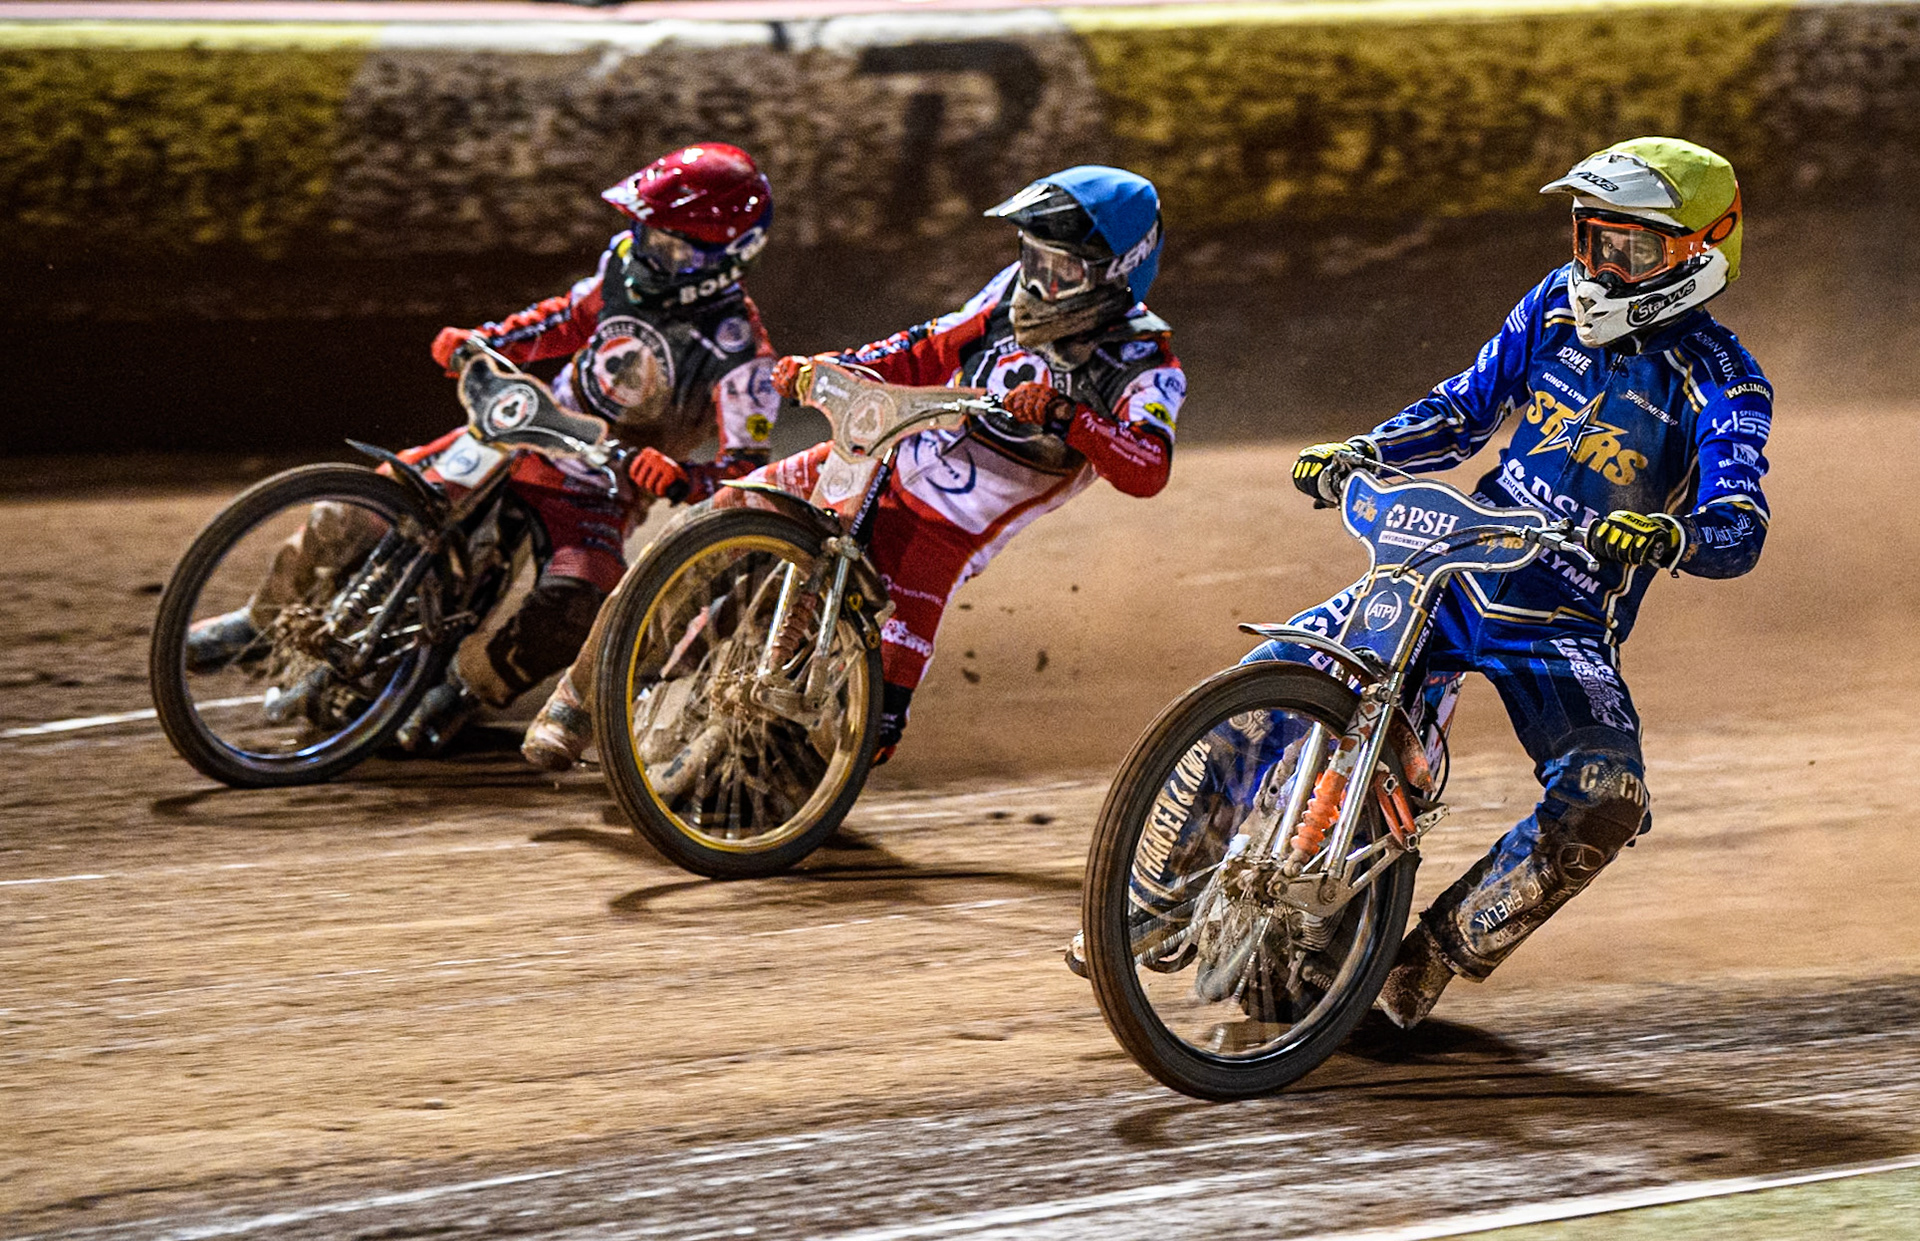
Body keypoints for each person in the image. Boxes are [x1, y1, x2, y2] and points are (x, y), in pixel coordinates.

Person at [1231, 136, 1770, 1026]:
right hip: (1451, 559)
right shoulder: (1554, 304)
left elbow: (1739, 526)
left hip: (1560, 613)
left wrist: (1668, 534)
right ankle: (1158, 883)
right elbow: (1462, 411)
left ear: (1697, 254)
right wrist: (1365, 450)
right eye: (1587, 237)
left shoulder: (1724, 382)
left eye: (1624, 248)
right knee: (1272, 678)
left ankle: (1424, 964)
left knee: (1605, 797)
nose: (1595, 265)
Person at [520, 164, 1186, 769]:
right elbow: (929, 346)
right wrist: (837, 367)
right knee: (702, 529)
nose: (1040, 281)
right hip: (885, 450)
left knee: (881, 709)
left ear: (1116, 271)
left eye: (1061, 271)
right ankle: (577, 703)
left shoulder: (1147, 365)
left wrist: (1074, 420)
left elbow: (1148, 468)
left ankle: (804, 764)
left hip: (952, 523)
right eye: (1034, 259)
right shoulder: (1012, 292)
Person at [188, 143, 783, 755]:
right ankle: (260, 621)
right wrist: (483, 341)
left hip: (598, 484)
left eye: (671, 244)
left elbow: (743, 470)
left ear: (726, 258)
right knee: (353, 512)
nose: (650, 250)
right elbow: (561, 320)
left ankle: (463, 690)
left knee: (576, 598)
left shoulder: (742, 356)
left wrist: (682, 478)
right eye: (647, 230)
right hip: (523, 430)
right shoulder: (622, 273)